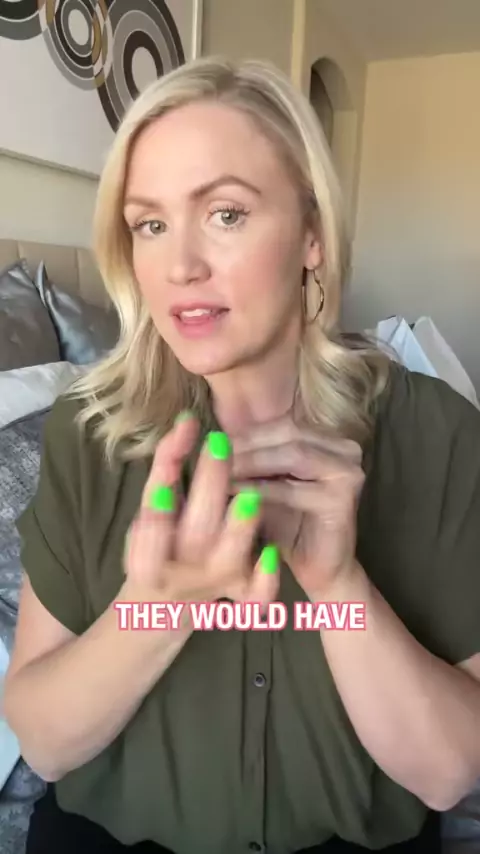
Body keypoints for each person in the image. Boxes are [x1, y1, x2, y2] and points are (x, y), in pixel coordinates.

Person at [4, 56, 480, 854]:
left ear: (313, 236)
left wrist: (339, 587)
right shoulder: (88, 434)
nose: (179, 266)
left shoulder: (436, 433)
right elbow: (45, 746)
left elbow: (449, 776)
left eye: (225, 214)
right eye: (150, 224)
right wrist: (159, 608)